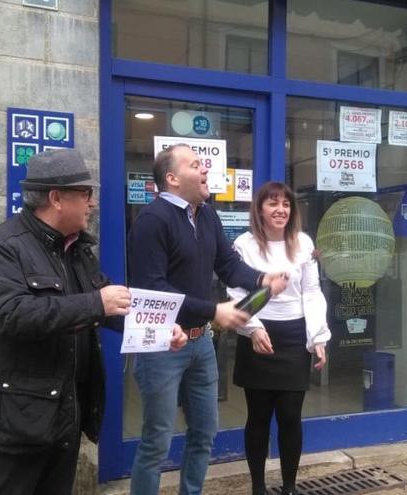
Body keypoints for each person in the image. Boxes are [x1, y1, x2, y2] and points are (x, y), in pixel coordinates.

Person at [0, 148, 187, 495]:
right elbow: (9, 315)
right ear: (56, 198)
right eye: (86, 194)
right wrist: (95, 303)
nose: (93, 203)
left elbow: (110, 305)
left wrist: (161, 328)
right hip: (17, 422)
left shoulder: (77, 250)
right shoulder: (1, 247)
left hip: (65, 417)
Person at [127, 144, 289, 495]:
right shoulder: (151, 221)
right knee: (156, 441)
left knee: (204, 434)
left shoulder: (208, 215)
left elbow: (228, 264)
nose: (205, 170)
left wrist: (262, 279)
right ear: (172, 178)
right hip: (161, 346)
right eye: (196, 164)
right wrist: (214, 310)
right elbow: (153, 288)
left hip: (201, 344)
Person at [227, 182, 331, 495]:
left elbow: (312, 292)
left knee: (290, 417)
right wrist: (254, 328)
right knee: (258, 417)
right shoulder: (243, 245)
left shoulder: (302, 243)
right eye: (273, 204)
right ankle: (258, 487)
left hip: (294, 336)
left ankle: (288, 487)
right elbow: (235, 291)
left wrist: (318, 336)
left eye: (286, 204)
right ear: (259, 209)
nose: (280, 210)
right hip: (258, 335)